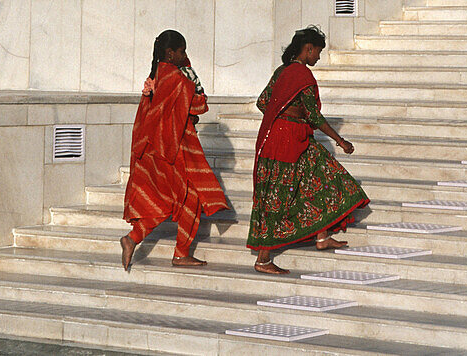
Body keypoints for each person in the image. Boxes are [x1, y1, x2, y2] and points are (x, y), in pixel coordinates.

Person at [247, 25, 369, 275]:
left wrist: (282, 116)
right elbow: (313, 115)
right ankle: (263, 259)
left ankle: (322, 236)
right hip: (289, 140)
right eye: (318, 52)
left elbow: (263, 102)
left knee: (322, 175)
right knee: (278, 195)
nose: (318, 58)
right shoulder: (302, 75)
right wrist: (340, 140)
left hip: (280, 138)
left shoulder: (282, 71)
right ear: (308, 49)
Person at [121, 29, 228, 270]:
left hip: (153, 148)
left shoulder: (155, 76)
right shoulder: (179, 80)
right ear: (171, 53)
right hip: (173, 150)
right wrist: (193, 79)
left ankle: (135, 239)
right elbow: (199, 106)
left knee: (169, 200)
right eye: (182, 51)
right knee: (188, 198)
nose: (185, 55)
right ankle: (177, 252)